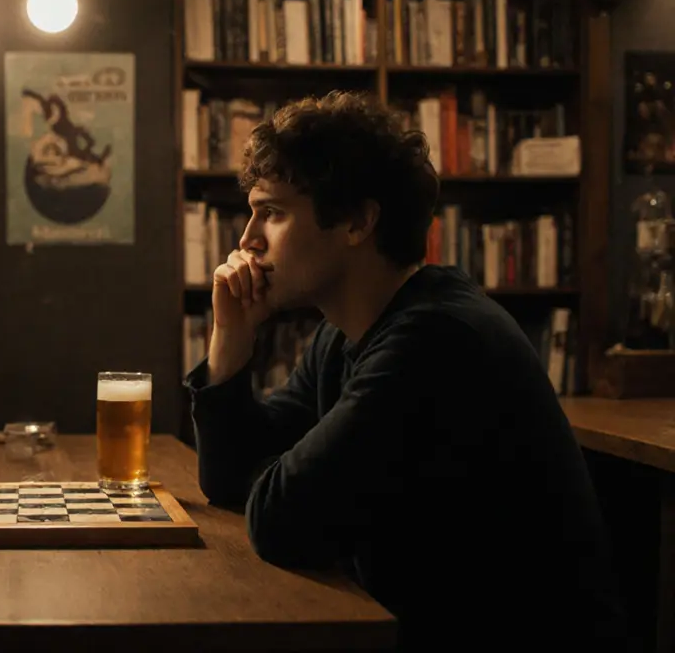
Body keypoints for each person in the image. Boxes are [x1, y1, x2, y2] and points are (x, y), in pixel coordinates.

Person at [186, 92, 625, 650]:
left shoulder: (435, 340)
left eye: (272, 212)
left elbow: (279, 521)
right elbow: (229, 480)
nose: (247, 239)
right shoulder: (344, 333)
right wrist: (230, 339)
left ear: (357, 220)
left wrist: (276, 478)